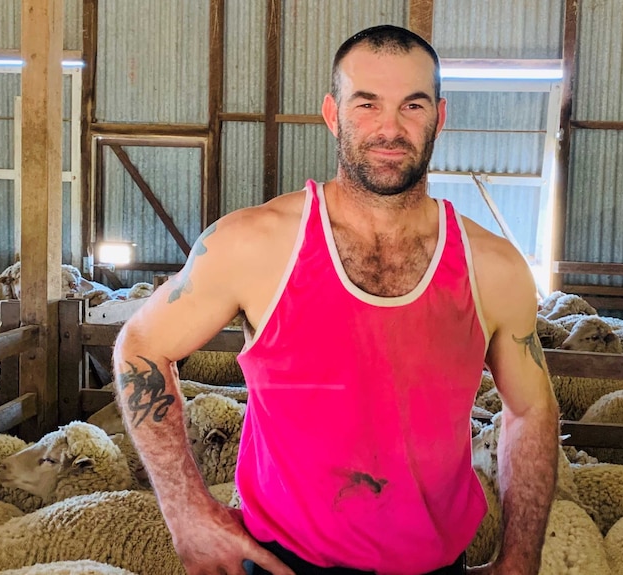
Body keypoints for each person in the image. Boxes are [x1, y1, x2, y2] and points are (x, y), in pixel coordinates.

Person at [113, 24, 559, 575]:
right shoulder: (253, 243)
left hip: (434, 566)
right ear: (332, 114)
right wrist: (185, 510)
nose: (390, 128)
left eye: (412, 106)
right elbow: (140, 347)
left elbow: (531, 408)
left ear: (440, 117)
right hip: (285, 561)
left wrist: (520, 557)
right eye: (366, 104)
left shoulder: (493, 266)